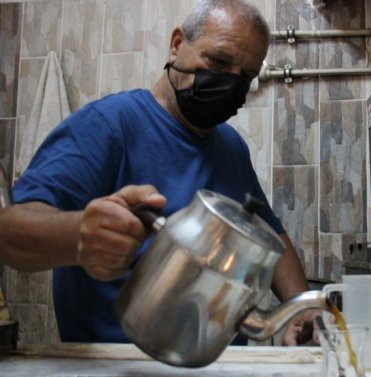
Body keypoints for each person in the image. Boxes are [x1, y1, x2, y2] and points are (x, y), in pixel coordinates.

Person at [0, 0, 319, 346]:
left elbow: (268, 232)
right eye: (218, 62)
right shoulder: (108, 126)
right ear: (177, 45)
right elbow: (10, 233)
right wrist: (79, 235)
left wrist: (299, 309)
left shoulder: (231, 146)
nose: (230, 83)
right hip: (119, 368)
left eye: (246, 77)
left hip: (220, 366)